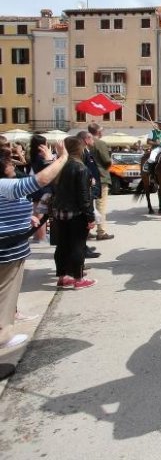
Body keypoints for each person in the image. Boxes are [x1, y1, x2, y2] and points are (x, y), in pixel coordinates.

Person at [0, 140, 69, 380]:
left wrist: (23, 221)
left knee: (6, 299)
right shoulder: (5, 185)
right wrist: (61, 157)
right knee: (3, 299)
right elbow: (39, 181)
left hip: (11, 248)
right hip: (5, 253)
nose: (13, 165)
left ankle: (5, 334)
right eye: (9, 161)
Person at [50, 137, 97, 290]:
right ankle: (78, 279)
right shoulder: (80, 168)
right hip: (76, 212)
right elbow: (84, 196)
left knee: (62, 245)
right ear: (79, 149)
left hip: (59, 211)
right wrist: (90, 216)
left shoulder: (59, 165)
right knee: (78, 245)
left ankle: (62, 277)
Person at [88, 123, 114, 241]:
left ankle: (86, 230)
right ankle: (101, 231)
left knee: (87, 205)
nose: (102, 132)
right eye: (101, 130)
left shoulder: (84, 142)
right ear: (98, 132)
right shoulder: (100, 143)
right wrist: (110, 163)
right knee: (101, 205)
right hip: (101, 176)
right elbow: (106, 161)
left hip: (87, 177)